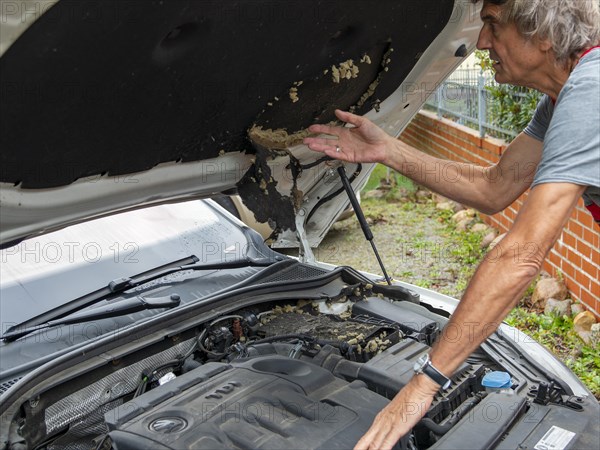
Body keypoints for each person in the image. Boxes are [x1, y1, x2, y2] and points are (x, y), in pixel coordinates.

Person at [303, 0, 600, 448]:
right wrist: (387, 150)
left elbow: (521, 253)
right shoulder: (564, 96)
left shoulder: (591, 92)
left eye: (493, 25)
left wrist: (424, 385)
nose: (482, 41)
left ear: (543, 36)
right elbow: (494, 187)